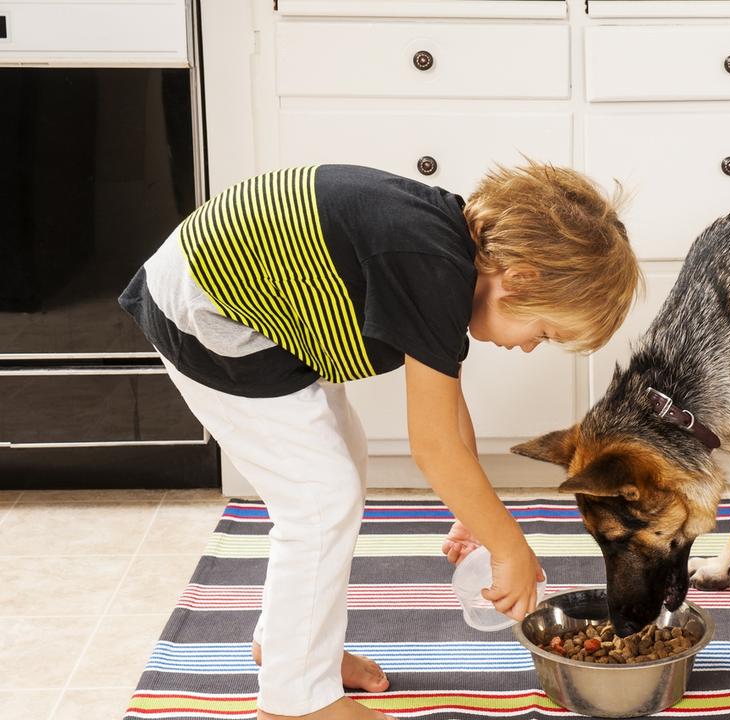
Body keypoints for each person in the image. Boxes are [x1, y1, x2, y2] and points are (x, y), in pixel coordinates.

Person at [119, 162, 640, 720]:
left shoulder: (447, 256)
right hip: (207, 315)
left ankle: (290, 649)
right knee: (320, 502)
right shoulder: (432, 266)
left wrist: (471, 510)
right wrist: (509, 545)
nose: (533, 347)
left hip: (246, 312)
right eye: (544, 332)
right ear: (522, 278)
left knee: (338, 467)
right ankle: (294, 702)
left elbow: (447, 406)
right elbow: (433, 444)